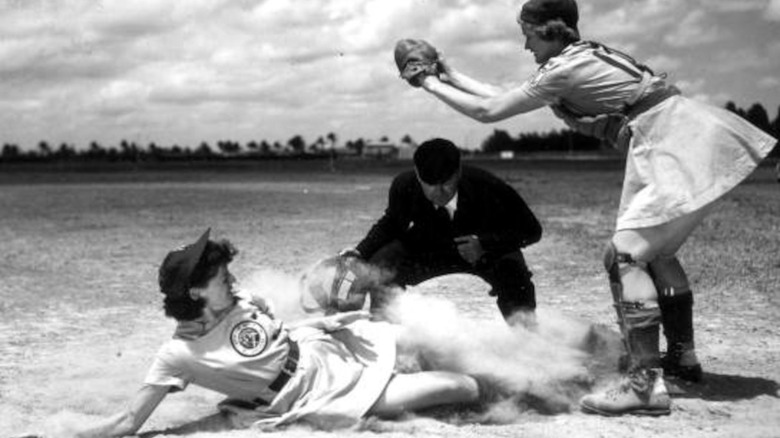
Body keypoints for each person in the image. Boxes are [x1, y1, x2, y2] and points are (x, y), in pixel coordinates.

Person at [405, 0, 776, 416]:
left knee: (624, 255)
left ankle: (643, 383)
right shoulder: (579, 58)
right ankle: (682, 360)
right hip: (691, 133)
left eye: (527, 32)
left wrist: (426, 83)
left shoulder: (564, 69)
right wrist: (448, 71)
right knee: (657, 252)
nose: (524, 43)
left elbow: (488, 111)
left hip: (668, 141)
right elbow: (502, 96)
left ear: (549, 29)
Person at [57, 229, 484, 437]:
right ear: (194, 291)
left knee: (430, 344)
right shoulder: (178, 355)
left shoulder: (236, 295)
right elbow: (129, 422)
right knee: (461, 387)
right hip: (317, 396)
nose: (232, 278)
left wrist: (325, 307)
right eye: (221, 276)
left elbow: (283, 323)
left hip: (326, 347)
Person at [344, 137, 542, 326]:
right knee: (382, 262)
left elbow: (532, 230)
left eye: (446, 184)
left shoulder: (488, 187)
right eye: (429, 185)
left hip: (483, 252)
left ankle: (525, 336)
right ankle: (385, 330)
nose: (438, 193)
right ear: (417, 173)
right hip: (430, 249)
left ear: (458, 172)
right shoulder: (404, 185)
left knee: (512, 268)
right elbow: (391, 224)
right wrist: (360, 252)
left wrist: (484, 244)